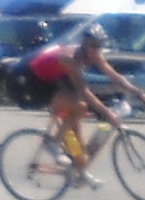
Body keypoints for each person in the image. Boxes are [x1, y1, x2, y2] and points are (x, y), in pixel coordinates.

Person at [21, 22, 130, 183]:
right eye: (93, 46)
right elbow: (84, 91)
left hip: (57, 78)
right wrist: (108, 114)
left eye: (99, 46)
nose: (96, 50)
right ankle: (53, 143)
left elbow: (114, 76)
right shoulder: (70, 58)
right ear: (84, 45)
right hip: (37, 81)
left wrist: (139, 93)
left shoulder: (93, 55)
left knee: (77, 127)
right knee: (80, 106)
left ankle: (80, 170)